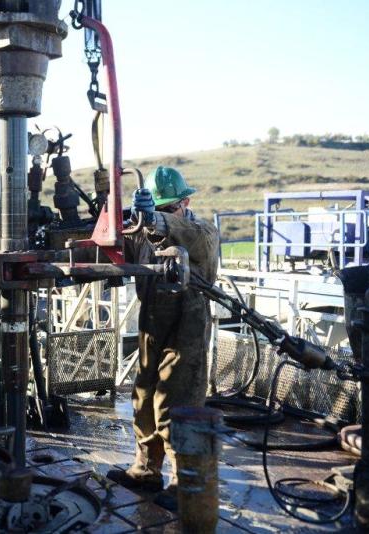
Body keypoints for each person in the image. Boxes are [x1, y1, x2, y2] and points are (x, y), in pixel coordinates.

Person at [107, 166, 219, 509]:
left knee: (177, 400)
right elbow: (114, 246)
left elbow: (188, 234)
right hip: (152, 321)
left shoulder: (203, 232)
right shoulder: (141, 232)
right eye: (156, 210)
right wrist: (115, 219)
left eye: (168, 208)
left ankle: (184, 483)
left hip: (188, 322)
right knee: (143, 396)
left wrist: (157, 220)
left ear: (185, 204)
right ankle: (146, 470)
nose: (161, 215)